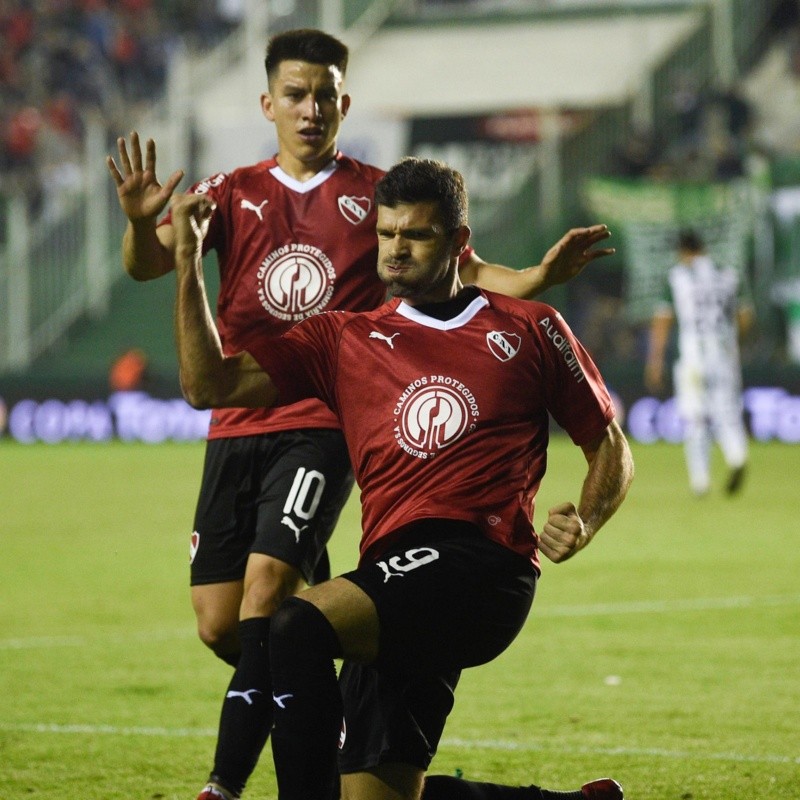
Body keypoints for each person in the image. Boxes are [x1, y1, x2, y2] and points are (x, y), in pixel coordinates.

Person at [105, 28, 618, 800]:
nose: (394, 250)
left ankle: (230, 783)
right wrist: (174, 256)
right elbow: (205, 380)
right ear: (268, 103)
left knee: (289, 615)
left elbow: (603, 435)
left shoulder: (509, 314)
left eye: (413, 236)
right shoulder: (321, 303)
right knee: (358, 776)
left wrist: (583, 513)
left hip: (451, 536)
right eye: (386, 236)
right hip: (346, 524)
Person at [644, 228, 753, 496]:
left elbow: (663, 320)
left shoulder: (677, 277)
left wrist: (655, 360)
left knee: (695, 418)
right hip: (724, 355)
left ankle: (700, 481)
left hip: (693, 358)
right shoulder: (729, 274)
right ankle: (737, 456)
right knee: (727, 412)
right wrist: (734, 342)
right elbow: (746, 316)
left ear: (682, 251)